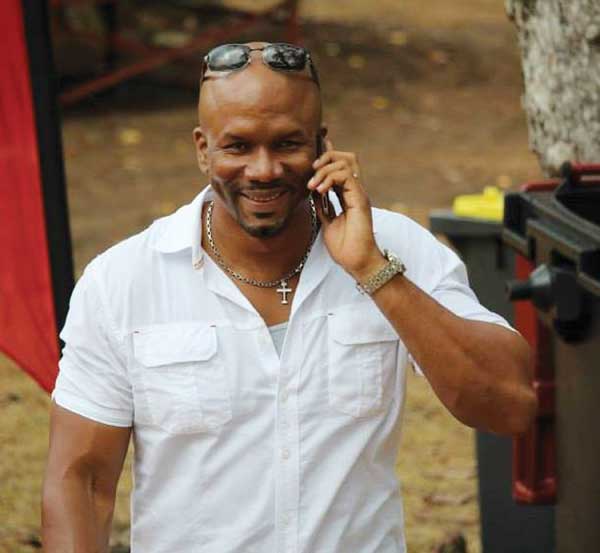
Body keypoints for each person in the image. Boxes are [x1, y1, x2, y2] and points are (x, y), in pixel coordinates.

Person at [42, 42, 536, 553]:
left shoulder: (395, 249)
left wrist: (372, 270)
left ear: (323, 145)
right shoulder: (122, 281)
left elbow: (509, 405)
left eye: (287, 144)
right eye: (238, 146)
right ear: (202, 149)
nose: (264, 169)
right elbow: (81, 482)